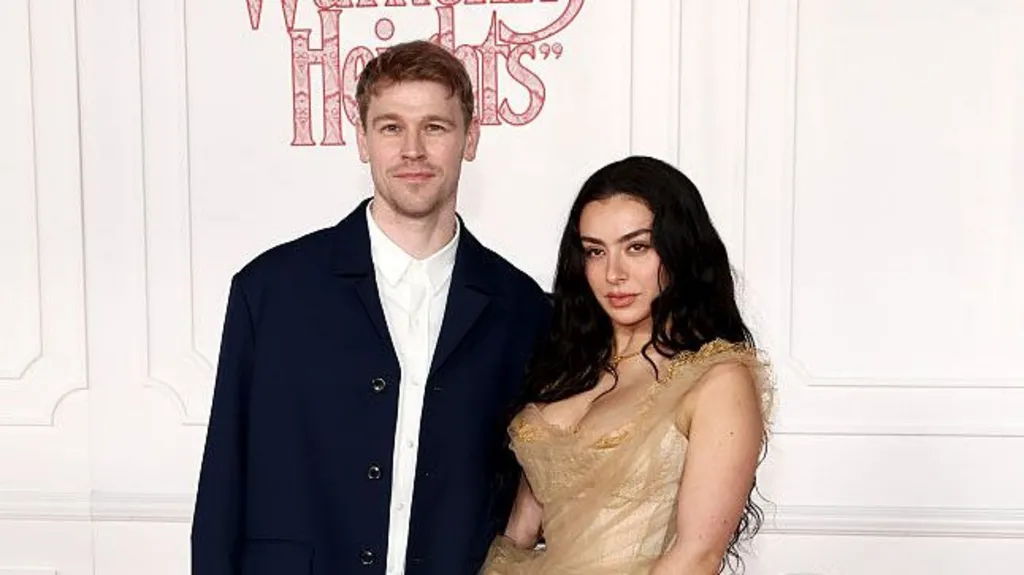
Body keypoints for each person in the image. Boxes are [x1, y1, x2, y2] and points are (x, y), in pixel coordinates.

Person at [190, 40, 551, 575]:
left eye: (435, 126)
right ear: (362, 140)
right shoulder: (270, 291)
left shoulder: (523, 308)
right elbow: (223, 482)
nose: (412, 149)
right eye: (390, 127)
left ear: (469, 139)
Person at [480, 156, 774, 574]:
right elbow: (518, 535)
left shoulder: (716, 379)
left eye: (637, 247)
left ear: (679, 249)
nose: (613, 273)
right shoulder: (566, 365)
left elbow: (697, 555)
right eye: (595, 252)